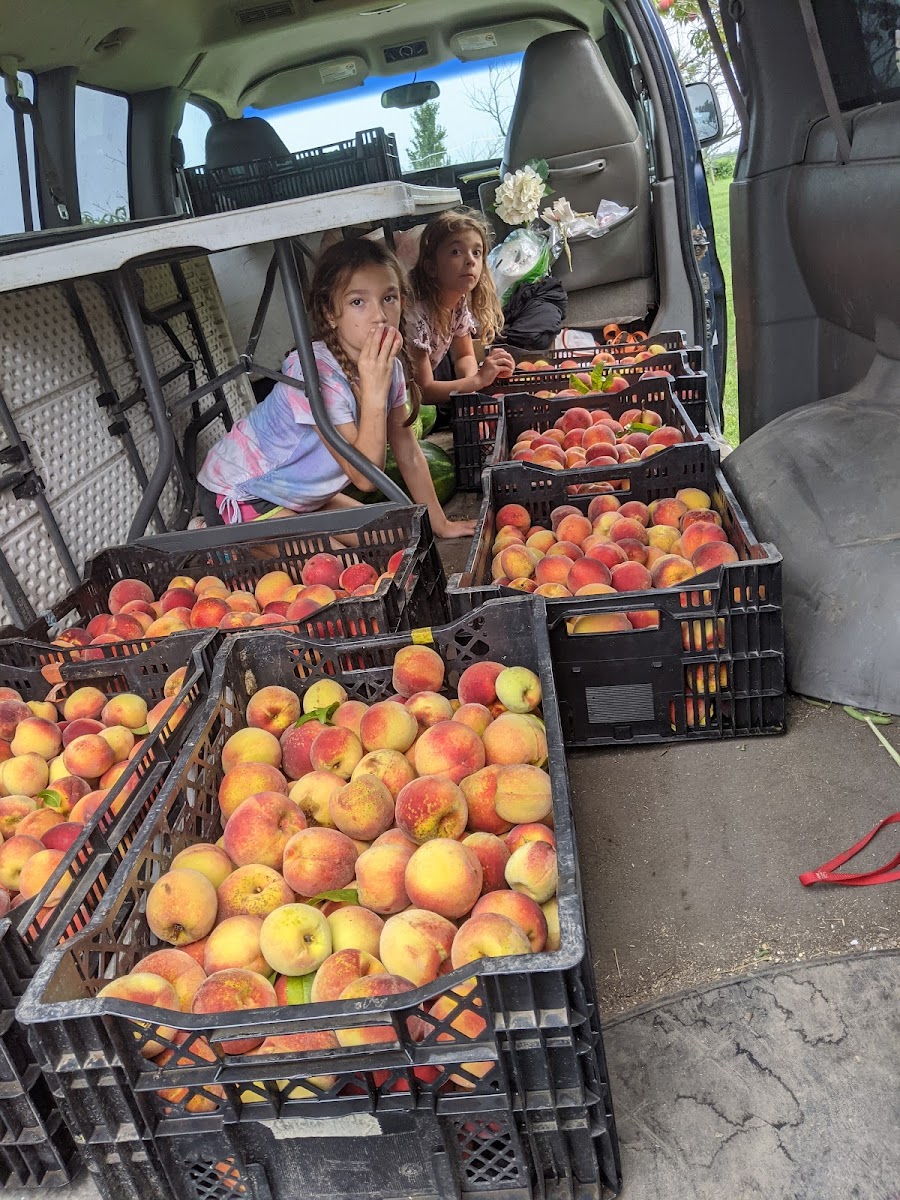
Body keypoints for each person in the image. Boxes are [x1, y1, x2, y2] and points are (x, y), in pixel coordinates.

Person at [196, 238, 475, 538]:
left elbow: (408, 452)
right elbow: (365, 477)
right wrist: (373, 391)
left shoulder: (388, 366)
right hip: (242, 492)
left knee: (394, 543)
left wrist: (440, 524)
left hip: (297, 494)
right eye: (358, 302)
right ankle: (217, 541)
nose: (379, 315)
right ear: (330, 312)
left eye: (389, 298)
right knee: (352, 568)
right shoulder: (313, 373)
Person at [405, 209, 516, 405]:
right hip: (401, 398)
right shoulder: (415, 315)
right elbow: (423, 391)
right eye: (456, 252)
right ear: (431, 266)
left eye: (477, 252)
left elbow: (464, 356)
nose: (470, 260)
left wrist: (472, 389)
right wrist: (478, 380)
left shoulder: (458, 300)